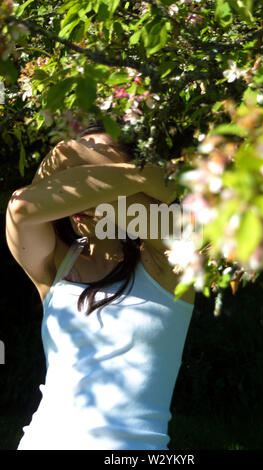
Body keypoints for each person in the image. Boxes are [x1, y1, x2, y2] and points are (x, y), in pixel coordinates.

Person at [5, 121, 196, 450]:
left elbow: (153, 212)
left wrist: (78, 185)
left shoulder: (171, 259)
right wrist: (142, 176)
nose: (79, 188)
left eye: (93, 174)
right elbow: (21, 208)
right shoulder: (57, 265)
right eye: (72, 176)